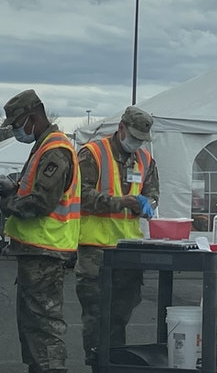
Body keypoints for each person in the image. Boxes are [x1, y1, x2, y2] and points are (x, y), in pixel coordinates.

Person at [0, 89, 80, 373]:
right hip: (38, 253)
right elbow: (36, 192)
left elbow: (41, 202)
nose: (16, 130)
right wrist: (12, 189)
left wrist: (6, 202)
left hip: (47, 252)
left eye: (16, 124)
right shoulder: (43, 146)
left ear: (32, 117)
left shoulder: (55, 150)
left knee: (44, 328)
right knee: (33, 327)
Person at [75, 106, 159, 372]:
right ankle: (99, 365)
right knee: (98, 319)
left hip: (129, 252)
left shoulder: (145, 160)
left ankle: (116, 364)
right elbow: (78, 195)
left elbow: (153, 193)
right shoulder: (92, 154)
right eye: (133, 136)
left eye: (141, 139)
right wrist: (118, 202)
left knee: (119, 318)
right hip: (96, 252)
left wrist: (148, 204)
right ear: (121, 128)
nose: (136, 143)